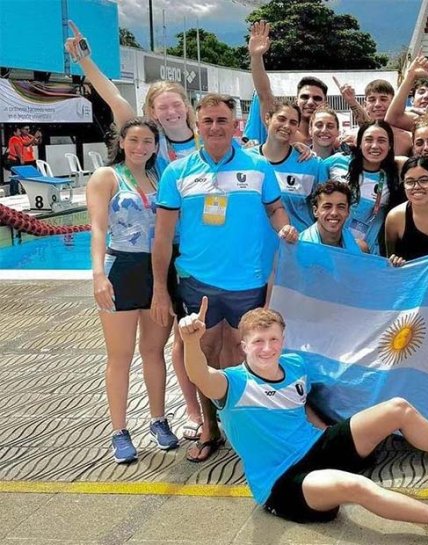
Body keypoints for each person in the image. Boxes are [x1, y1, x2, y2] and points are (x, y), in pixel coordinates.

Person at [179, 300, 428, 545]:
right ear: (243, 347)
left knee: (397, 407)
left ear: (283, 340)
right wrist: (191, 341)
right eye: (258, 342)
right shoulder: (231, 383)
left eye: (273, 340)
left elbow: (299, 404)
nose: (267, 348)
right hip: (283, 482)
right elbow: (198, 374)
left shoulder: (296, 365)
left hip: (317, 445)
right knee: (355, 488)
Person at [66, 19, 203, 440]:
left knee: (178, 345)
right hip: (141, 260)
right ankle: (131, 428)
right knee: (136, 352)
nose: (169, 111)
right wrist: (85, 61)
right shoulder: (151, 145)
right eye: (160, 107)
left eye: (175, 104)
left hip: (186, 259)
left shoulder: (207, 144)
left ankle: (187, 417)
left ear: (186, 105)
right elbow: (112, 97)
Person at [151, 93, 299, 463]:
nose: (215, 127)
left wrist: (285, 229)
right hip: (197, 282)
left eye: (222, 121)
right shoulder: (177, 173)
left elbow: (276, 208)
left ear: (235, 126)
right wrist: (159, 288)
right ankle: (210, 427)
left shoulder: (258, 167)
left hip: (247, 281)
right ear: (197, 127)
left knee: (242, 354)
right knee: (204, 353)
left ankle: (240, 425)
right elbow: (163, 237)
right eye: (208, 121)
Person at [86, 117, 179, 463]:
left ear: (156, 145)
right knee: (120, 356)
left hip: (158, 272)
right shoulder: (106, 177)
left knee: (153, 352)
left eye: (147, 141)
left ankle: (158, 420)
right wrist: (97, 275)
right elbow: (97, 228)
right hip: (121, 269)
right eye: (134, 140)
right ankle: (119, 431)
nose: (140, 147)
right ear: (122, 142)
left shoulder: (162, 176)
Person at [324, 120, 404, 256]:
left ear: (390, 146)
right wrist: (298, 147)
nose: (374, 146)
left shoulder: (394, 175)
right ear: (359, 143)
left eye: (382, 140)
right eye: (368, 139)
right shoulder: (337, 162)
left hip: (369, 255)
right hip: (331, 248)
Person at [248, 102, 325, 231]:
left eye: (293, 123)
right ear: (267, 118)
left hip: (297, 244)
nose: (286, 126)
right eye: (281, 119)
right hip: (256, 244)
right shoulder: (247, 160)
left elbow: (324, 209)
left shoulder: (313, 164)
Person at [249, 20, 328, 146]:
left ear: (325, 103)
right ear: (297, 100)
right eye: (305, 97)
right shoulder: (283, 130)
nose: (310, 102)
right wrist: (256, 56)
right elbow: (264, 94)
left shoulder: (331, 138)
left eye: (317, 98)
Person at [299, 181, 363, 252]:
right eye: (327, 207)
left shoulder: (359, 251)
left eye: (341, 207)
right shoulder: (297, 247)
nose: (334, 213)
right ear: (315, 211)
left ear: (348, 211)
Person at [4, 127, 24, 195]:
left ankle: (13, 191)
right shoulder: (14, 138)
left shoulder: (18, 139)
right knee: (16, 175)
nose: (20, 132)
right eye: (18, 131)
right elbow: (17, 149)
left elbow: (26, 143)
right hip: (14, 159)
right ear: (14, 133)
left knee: (14, 175)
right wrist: (21, 158)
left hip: (14, 159)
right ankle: (14, 191)